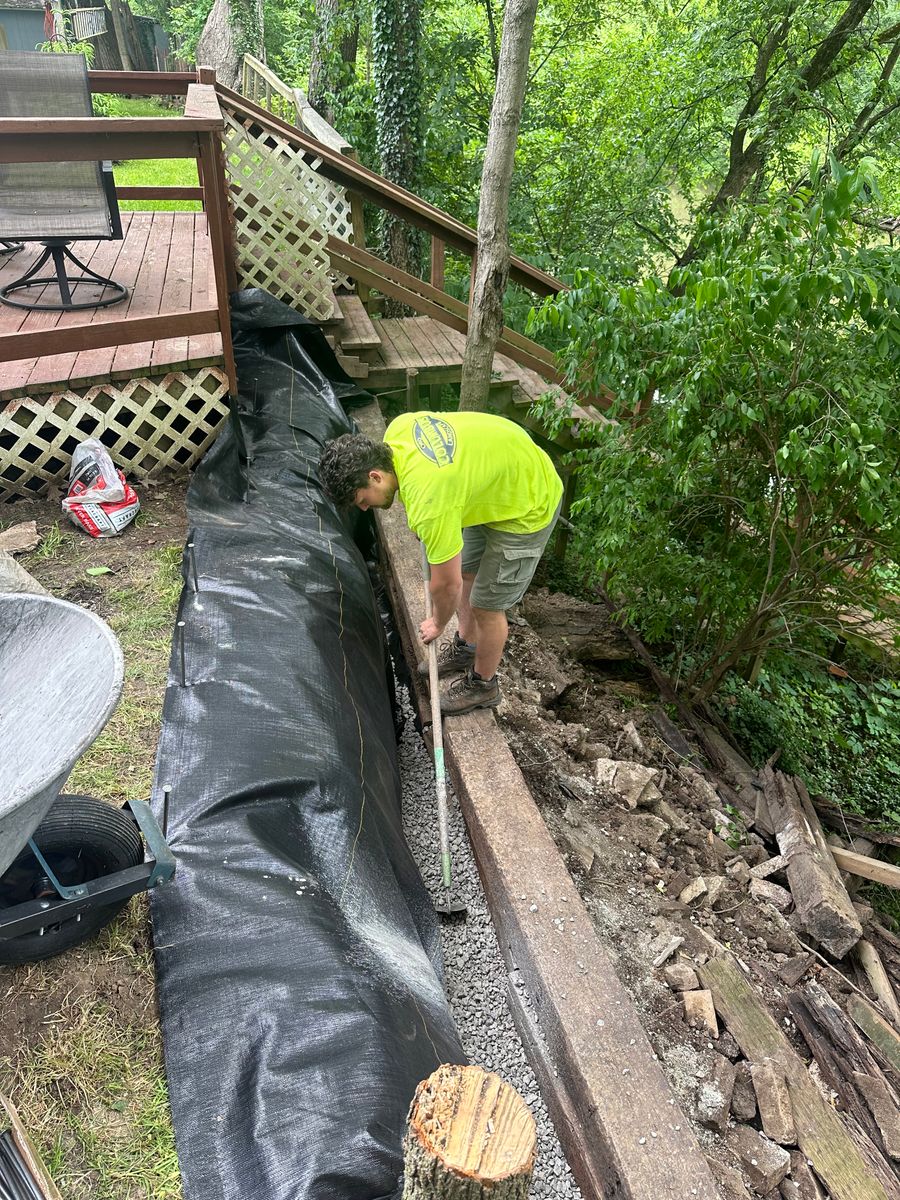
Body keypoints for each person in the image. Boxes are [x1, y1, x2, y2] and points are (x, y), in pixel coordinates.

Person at [319, 410, 563, 715]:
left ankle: (483, 685)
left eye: (362, 499)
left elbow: (446, 586)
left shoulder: (430, 501)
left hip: (529, 502)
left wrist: (437, 623)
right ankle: (466, 646)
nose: (366, 508)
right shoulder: (398, 430)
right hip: (494, 482)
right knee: (467, 571)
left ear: (375, 475)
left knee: (487, 606)